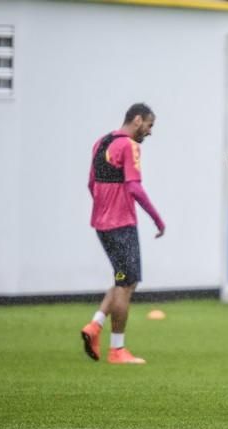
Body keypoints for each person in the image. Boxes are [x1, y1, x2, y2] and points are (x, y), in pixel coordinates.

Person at [81, 103, 165, 365]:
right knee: (126, 284)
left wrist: (104, 209)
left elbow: (91, 184)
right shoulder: (130, 146)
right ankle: (117, 349)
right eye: (149, 125)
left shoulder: (100, 143)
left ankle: (95, 325)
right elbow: (134, 188)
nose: (150, 132)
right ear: (137, 120)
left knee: (122, 279)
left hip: (102, 225)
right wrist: (157, 219)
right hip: (121, 225)